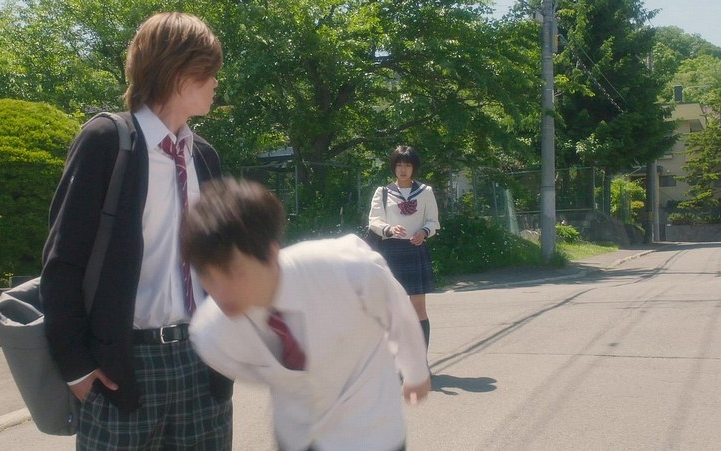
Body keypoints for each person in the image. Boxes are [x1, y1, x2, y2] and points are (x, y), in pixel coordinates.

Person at [40, 12, 232, 449]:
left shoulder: (204, 157)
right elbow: (63, 260)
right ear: (179, 73)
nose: (216, 83)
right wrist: (75, 365)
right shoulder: (107, 141)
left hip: (204, 364)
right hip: (123, 369)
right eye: (209, 72)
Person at [183, 177, 431, 451]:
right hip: (297, 436)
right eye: (206, 274)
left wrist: (415, 372)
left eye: (232, 271)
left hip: (371, 428)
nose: (220, 291)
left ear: (270, 253)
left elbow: (398, 312)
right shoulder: (211, 335)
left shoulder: (348, 270)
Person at [368, 145, 440, 349]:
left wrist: (424, 232)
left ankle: (420, 360)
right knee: (390, 309)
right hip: (390, 252)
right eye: (399, 165)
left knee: (418, 309)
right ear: (393, 167)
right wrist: (389, 229)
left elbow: (433, 221)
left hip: (415, 250)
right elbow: (374, 221)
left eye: (407, 165)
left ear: (414, 167)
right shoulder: (383, 192)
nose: (403, 169)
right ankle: (394, 358)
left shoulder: (425, 192)